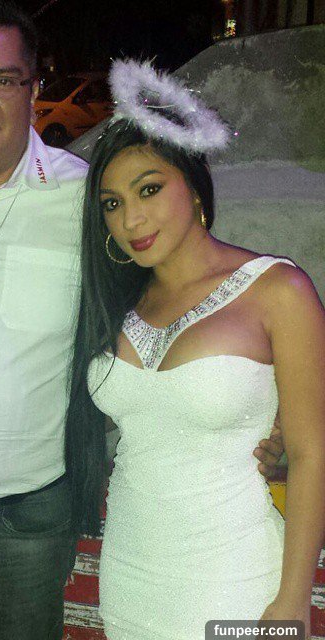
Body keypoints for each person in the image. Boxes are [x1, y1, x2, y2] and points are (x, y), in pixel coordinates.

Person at [0, 4, 284, 640]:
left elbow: (178, 301)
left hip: (23, 529)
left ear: (34, 89)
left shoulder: (90, 203)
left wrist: (264, 411)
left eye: (2, 79)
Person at [74, 60, 325, 638]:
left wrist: (294, 600)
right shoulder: (117, 301)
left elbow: (312, 453)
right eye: (112, 203)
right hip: (131, 571)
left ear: (193, 184)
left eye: (149, 189)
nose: (130, 218)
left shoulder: (278, 290)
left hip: (234, 575)